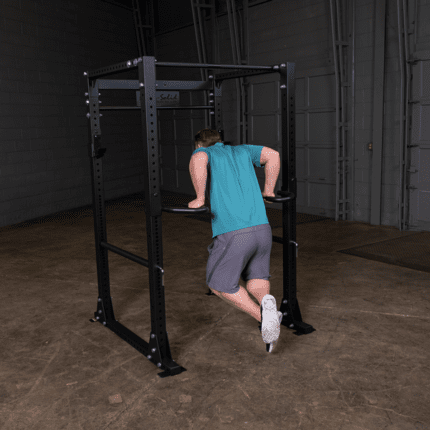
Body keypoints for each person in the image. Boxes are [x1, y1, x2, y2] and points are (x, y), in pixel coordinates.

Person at [188, 128, 282, 352]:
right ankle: (267, 304)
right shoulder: (243, 150)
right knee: (256, 279)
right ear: (221, 141)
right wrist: (268, 191)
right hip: (262, 229)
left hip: (234, 232)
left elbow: (199, 158)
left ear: (199, 144)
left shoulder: (204, 153)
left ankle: (265, 317)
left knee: (219, 285)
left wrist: (200, 198)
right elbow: (273, 155)